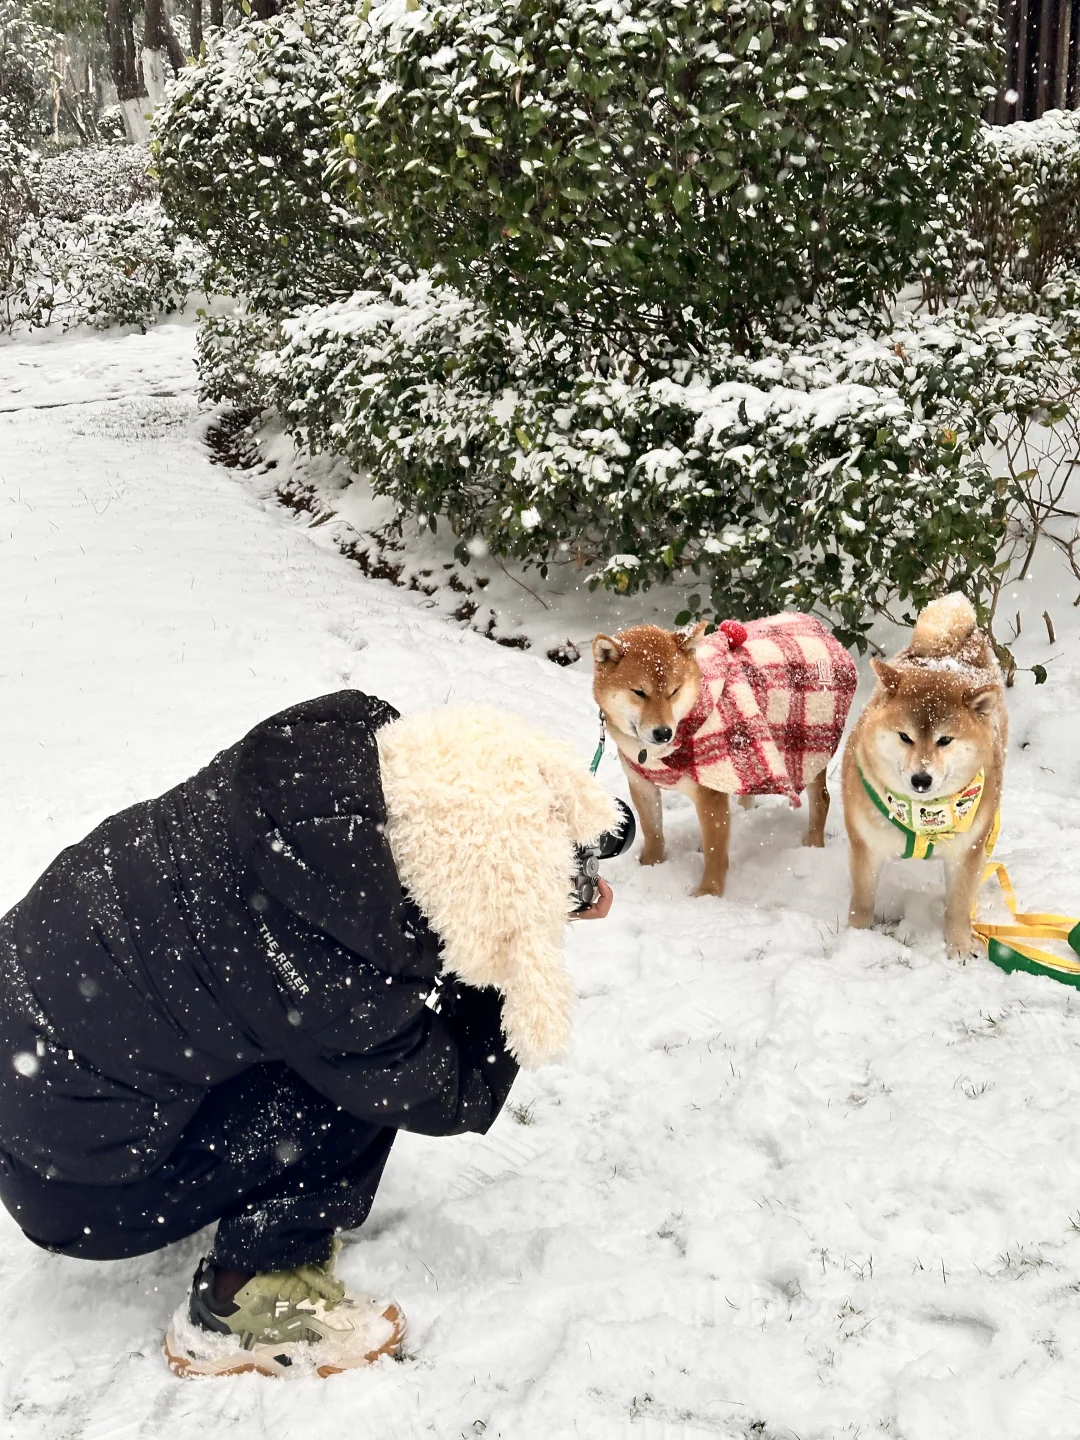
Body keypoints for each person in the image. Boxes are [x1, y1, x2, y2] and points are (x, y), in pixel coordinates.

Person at [0, 691, 617, 1378]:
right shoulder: (340, 976)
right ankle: (247, 1301)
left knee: (310, 1026)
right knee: (360, 1079)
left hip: (32, 1088)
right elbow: (451, 1093)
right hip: (84, 1193)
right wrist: (502, 944)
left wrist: (533, 856)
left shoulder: (316, 776)